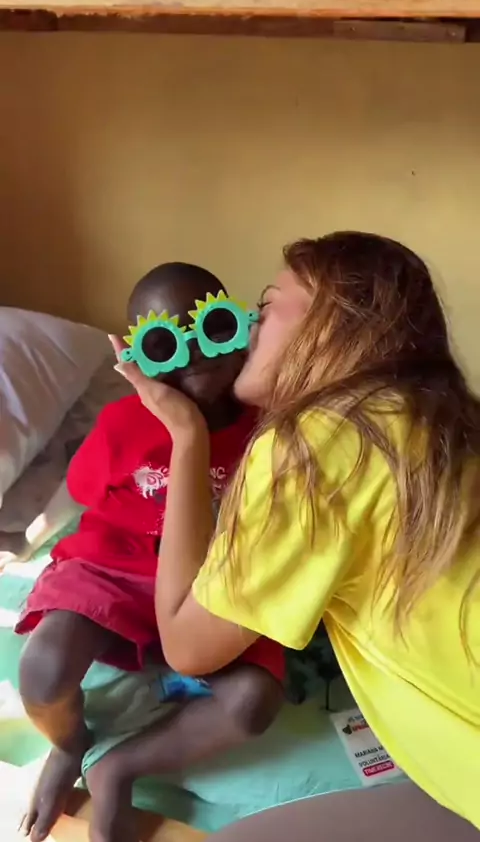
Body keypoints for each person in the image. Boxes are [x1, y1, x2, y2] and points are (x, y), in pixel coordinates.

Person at [114, 233, 480, 835]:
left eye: (266, 304)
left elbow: (186, 644)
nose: (250, 326)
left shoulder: (318, 444)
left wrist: (187, 435)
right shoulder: (440, 418)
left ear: (335, 321)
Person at [14, 262, 284, 842]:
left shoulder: (270, 428)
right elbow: (87, 493)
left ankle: (119, 768)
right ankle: (72, 743)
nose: (194, 354)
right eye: (165, 343)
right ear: (137, 358)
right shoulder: (122, 423)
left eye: (212, 327)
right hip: (116, 570)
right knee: (41, 673)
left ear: (242, 329)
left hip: (215, 583)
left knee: (253, 702)